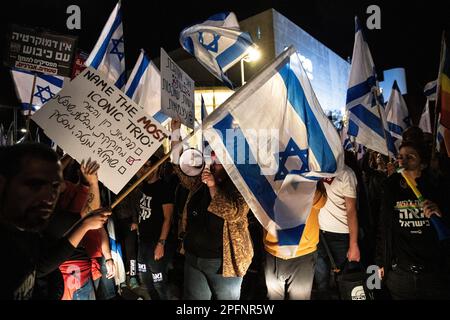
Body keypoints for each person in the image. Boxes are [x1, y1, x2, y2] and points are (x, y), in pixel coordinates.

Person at [0, 143, 110, 300]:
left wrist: (92, 183)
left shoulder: (28, 228)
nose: (50, 195)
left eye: (55, 185)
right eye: (36, 184)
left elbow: (38, 267)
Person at [170, 119, 253, 300]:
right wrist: (175, 132)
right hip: (194, 258)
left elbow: (233, 212)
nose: (214, 164)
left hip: (224, 263)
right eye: (213, 159)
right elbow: (180, 168)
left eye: (219, 161)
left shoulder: (240, 186)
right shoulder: (200, 183)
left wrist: (213, 186)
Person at [376, 140, 450, 299]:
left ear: (423, 164)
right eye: (400, 156)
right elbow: (383, 228)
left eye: (410, 157)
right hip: (401, 276)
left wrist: (441, 213)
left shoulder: (438, 188)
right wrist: (379, 262)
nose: (402, 161)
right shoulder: (390, 188)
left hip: (433, 274)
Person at [264, 182, 327, 300]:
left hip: (302, 252)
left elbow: (321, 201)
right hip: (274, 250)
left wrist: (300, 182)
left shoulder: (310, 170)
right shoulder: (267, 171)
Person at [314, 163, 360, 299]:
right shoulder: (315, 168)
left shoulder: (346, 173)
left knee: (345, 281)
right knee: (322, 281)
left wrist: (353, 244)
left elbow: (352, 210)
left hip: (341, 235)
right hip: (319, 233)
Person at [135, 154, 176, 300]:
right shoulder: (142, 185)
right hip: (143, 241)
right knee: (145, 279)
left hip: (156, 241)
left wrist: (161, 243)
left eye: (146, 166)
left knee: (158, 281)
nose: (142, 170)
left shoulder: (164, 188)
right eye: (141, 166)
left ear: (156, 167)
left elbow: (168, 218)